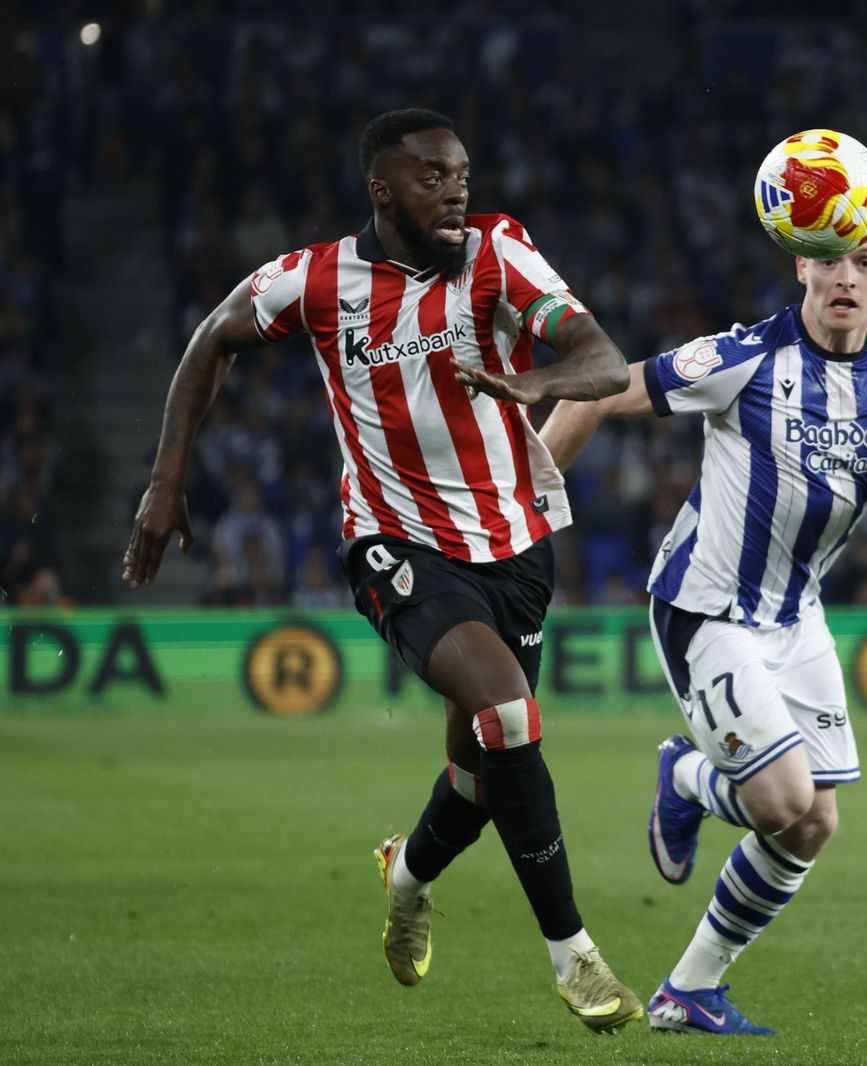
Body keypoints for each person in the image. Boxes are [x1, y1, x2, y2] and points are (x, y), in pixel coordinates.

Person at [122, 108, 646, 1033]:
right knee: (509, 716)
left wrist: (536, 381)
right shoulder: (318, 279)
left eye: (462, 176)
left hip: (515, 546)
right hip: (394, 544)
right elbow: (211, 340)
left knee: (481, 777)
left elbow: (602, 360)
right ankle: (575, 956)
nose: (455, 193)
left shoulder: (497, 255)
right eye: (431, 178)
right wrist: (166, 482)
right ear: (382, 189)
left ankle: (406, 876)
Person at [462, 206, 867, 1035]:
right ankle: (687, 776)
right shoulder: (746, 355)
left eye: (863, 260)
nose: (845, 277)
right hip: (707, 605)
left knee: (814, 823)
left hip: (796, 616)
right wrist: (527, 511)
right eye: (828, 260)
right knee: (781, 798)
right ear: (800, 267)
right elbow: (603, 387)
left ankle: (689, 991)